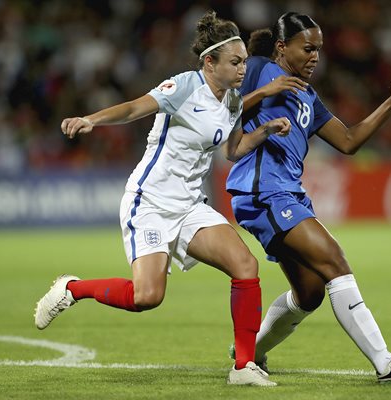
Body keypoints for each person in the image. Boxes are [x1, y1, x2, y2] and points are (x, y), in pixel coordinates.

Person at [33, 11, 292, 387]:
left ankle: (243, 367)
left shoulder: (233, 101)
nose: (242, 69)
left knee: (245, 265)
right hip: (150, 202)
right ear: (210, 62)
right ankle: (71, 289)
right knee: (147, 297)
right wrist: (92, 119)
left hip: (190, 206)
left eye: (244, 62)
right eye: (235, 62)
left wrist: (266, 129)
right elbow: (136, 107)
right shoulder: (184, 86)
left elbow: (233, 148)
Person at [225, 12, 391, 383]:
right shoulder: (257, 68)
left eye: (319, 49)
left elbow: (349, 141)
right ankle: (386, 363)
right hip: (261, 190)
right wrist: (263, 93)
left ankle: (249, 352)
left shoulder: (308, 96)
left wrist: (390, 103)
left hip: (288, 192)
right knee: (335, 261)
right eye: (307, 48)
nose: (315, 56)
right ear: (281, 47)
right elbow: (222, 110)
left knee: (310, 293)